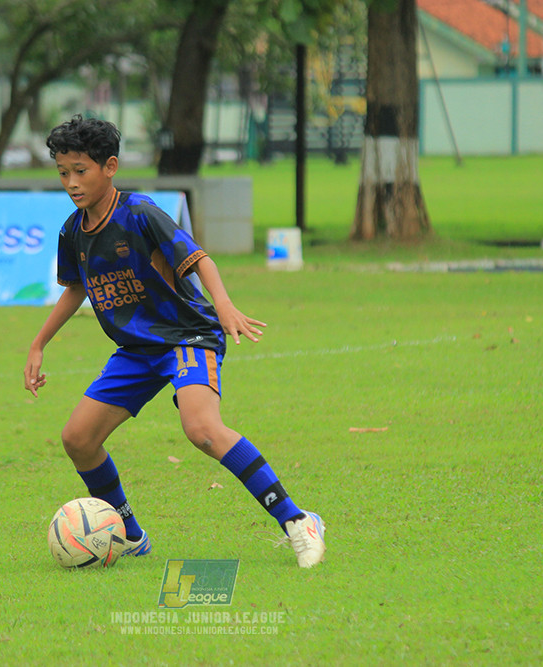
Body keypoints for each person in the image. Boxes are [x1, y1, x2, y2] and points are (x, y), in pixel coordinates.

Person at [23, 114, 326, 568]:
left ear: (110, 166)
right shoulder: (72, 231)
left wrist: (222, 305)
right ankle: (129, 534)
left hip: (188, 336)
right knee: (79, 438)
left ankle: (298, 520)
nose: (71, 182)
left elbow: (199, 259)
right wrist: (38, 343)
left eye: (80, 170)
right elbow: (76, 288)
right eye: (63, 172)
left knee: (201, 429)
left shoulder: (140, 214)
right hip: (137, 350)